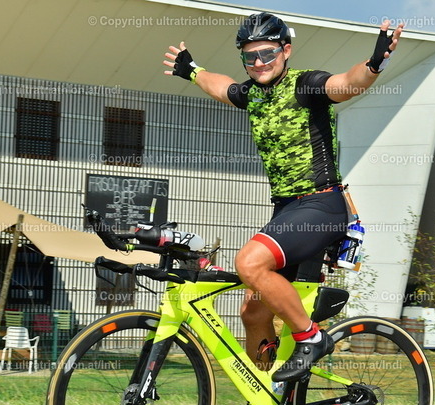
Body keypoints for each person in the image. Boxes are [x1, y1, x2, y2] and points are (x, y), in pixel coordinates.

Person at [163, 12, 403, 382]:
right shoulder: (253, 94)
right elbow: (222, 87)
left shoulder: (306, 85)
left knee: (249, 263)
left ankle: (312, 337)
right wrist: (192, 70)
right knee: (253, 313)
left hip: (321, 205)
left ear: (286, 51)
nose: (259, 62)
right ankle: (264, 400)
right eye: (250, 56)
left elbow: (346, 84)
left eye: (268, 53)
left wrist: (373, 65)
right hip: (287, 211)